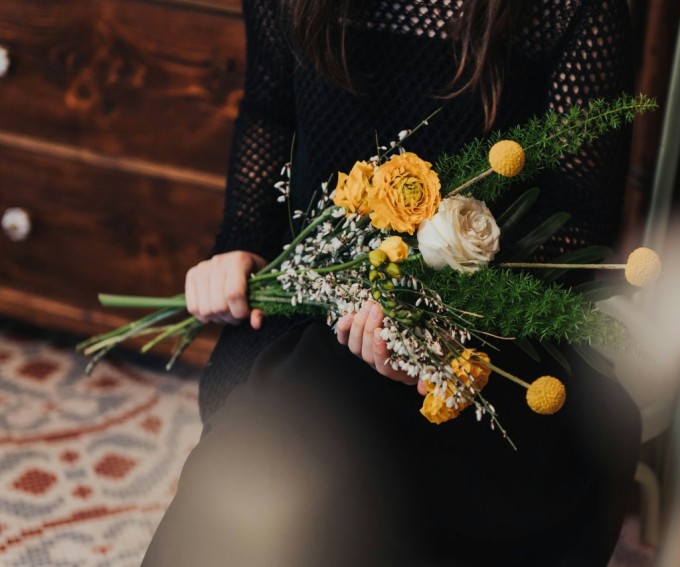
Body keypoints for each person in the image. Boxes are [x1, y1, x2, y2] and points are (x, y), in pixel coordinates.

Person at [142, 0, 642, 565]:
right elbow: (269, 112)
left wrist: (428, 317)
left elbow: (579, 217)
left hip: (486, 325)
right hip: (312, 295)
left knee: (310, 429)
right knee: (281, 422)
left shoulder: (572, 9)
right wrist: (241, 242)